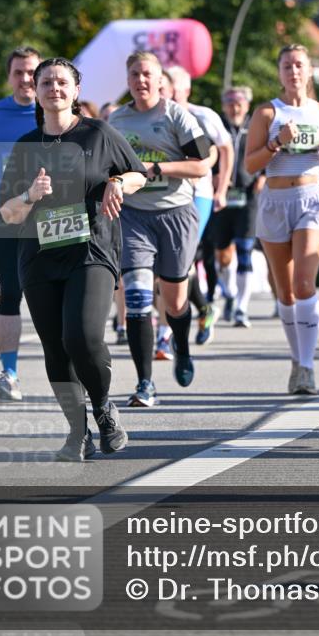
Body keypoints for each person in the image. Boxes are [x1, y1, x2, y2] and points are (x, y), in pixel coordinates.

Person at [0, 57, 147, 460]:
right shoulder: (26, 145)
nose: (54, 88)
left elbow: (138, 174)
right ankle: (76, 432)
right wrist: (30, 195)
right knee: (54, 348)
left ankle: (104, 409)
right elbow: (8, 212)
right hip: (39, 257)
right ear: (37, 90)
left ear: (76, 90)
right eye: (46, 82)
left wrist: (116, 181)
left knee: (82, 336)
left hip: (91, 250)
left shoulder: (98, 133)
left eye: (62, 82)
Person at [109, 53, 212, 405]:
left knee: (175, 301)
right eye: (134, 74)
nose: (140, 80)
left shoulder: (175, 114)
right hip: (134, 216)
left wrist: (158, 169)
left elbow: (200, 166)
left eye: (147, 74)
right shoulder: (117, 119)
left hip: (175, 213)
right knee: (137, 297)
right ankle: (144, 383)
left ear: (159, 80)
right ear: (128, 79)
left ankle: (181, 348)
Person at [245, 44, 319, 395]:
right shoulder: (267, 113)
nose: (293, 71)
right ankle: (296, 358)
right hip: (275, 201)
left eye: (299, 65)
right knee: (284, 291)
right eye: (287, 66)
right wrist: (275, 144)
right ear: (280, 72)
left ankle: (308, 366)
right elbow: (250, 165)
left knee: (303, 283)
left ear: (310, 70)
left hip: (312, 198)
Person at [0, 45, 41, 400]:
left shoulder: (55, 111)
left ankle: (73, 371)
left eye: (32, 72)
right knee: (10, 294)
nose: (26, 79)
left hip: (52, 218)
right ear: (9, 76)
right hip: (9, 215)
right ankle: (9, 374)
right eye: (19, 72)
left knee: (55, 296)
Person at [168, 65, 233, 341]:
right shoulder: (153, 117)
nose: (166, 91)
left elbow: (225, 147)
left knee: (183, 253)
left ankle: (168, 331)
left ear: (185, 89)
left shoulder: (203, 115)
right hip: (165, 194)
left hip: (199, 193)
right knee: (171, 258)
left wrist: (222, 188)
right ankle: (202, 307)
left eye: (171, 85)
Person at [209, 86, 264, 329]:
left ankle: (242, 308)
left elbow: (267, 153)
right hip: (222, 195)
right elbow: (206, 153)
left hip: (249, 194)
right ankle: (230, 294)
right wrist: (211, 176)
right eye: (230, 102)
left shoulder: (255, 127)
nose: (235, 107)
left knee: (245, 250)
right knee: (222, 254)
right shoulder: (215, 127)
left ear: (247, 105)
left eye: (239, 102)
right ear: (224, 106)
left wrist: (263, 175)